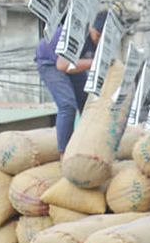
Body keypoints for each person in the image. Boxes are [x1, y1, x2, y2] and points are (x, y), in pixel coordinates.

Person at [35, 10, 109, 154]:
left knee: (89, 104)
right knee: (68, 105)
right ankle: (65, 152)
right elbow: (62, 65)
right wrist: (93, 63)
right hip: (51, 62)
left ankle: (90, 145)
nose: (98, 41)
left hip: (73, 63)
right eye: (97, 36)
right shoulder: (77, 34)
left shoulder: (102, 43)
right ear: (93, 30)